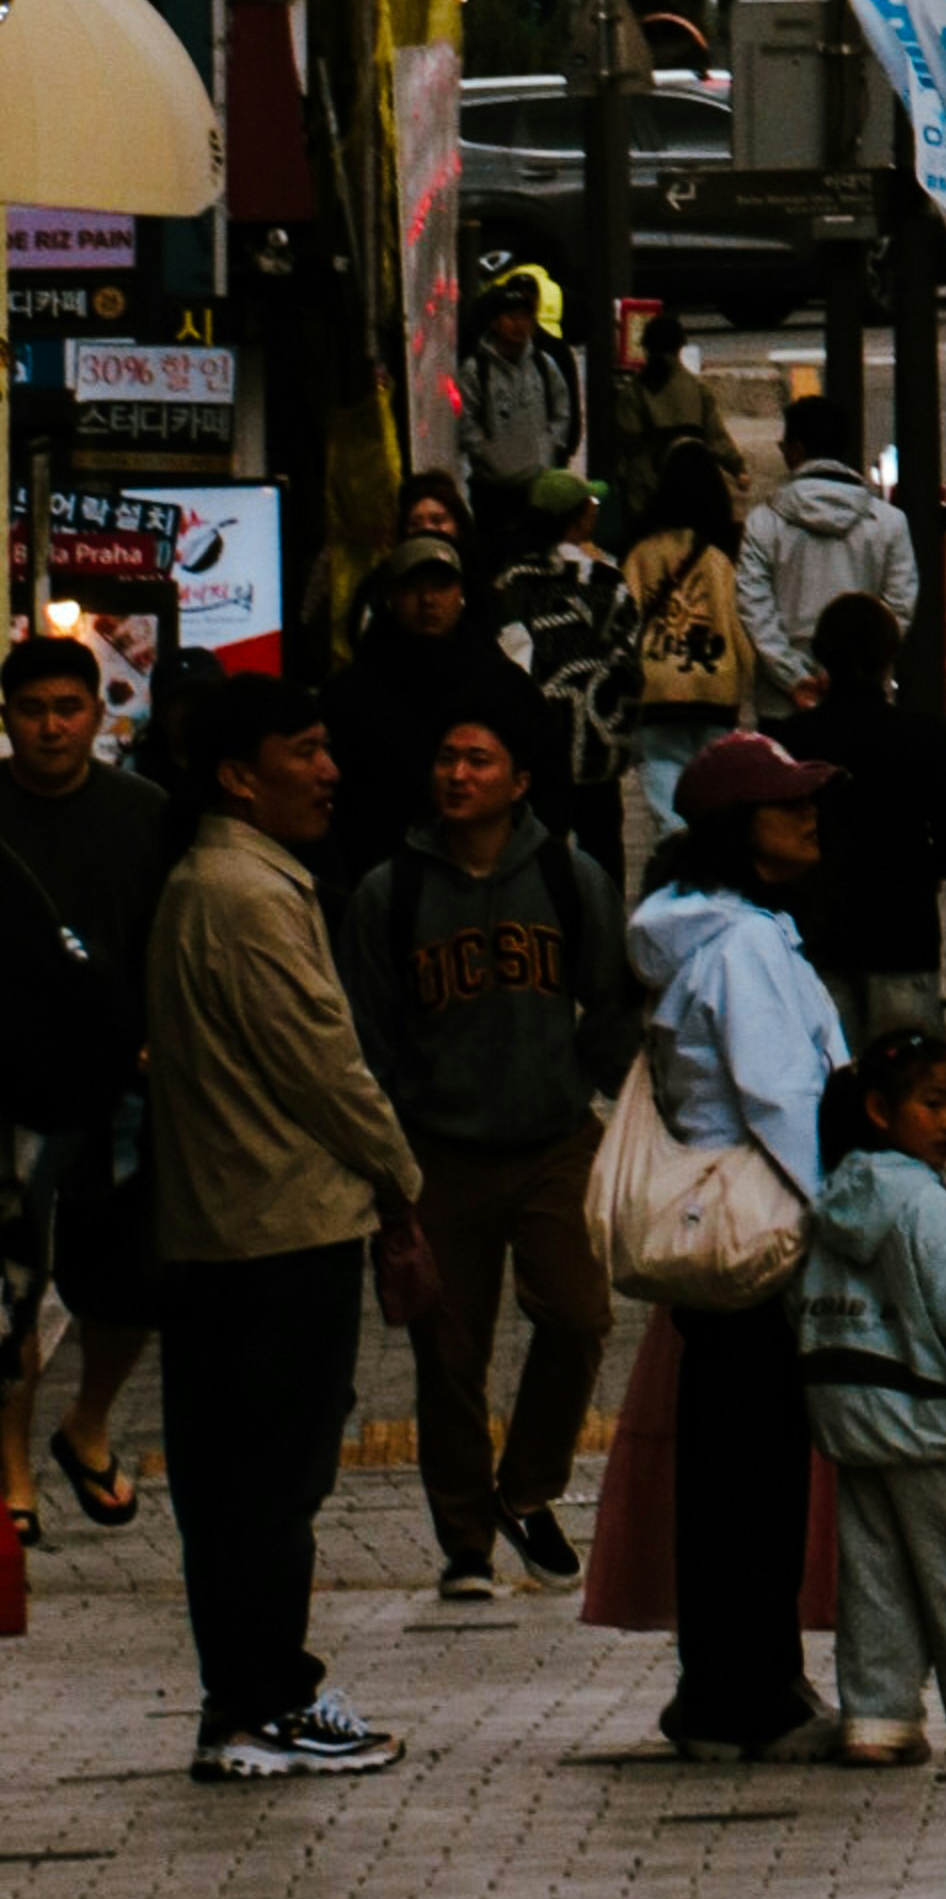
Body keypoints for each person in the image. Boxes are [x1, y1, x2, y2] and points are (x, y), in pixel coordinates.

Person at [139, 670, 413, 1784]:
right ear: (237, 777)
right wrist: (402, 1179)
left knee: (233, 1487)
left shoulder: (214, 881)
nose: (328, 772)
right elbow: (324, 1067)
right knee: (267, 1487)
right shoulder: (245, 894)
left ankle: (248, 1700)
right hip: (278, 1232)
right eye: (304, 751)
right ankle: (266, 1701)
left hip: (224, 1231)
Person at [339, 704, 624, 1608]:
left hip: (553, 1142)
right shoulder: (391, 893)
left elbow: (612, 998)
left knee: (578, 1316)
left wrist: (605, 1087)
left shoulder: (569, 877)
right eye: (447, 758)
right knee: (448, 1355)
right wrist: (389, 1150)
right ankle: (465, 1543)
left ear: (520, 782)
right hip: (440, 1155)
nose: (457, 775)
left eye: (479, 760)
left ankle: (525, 1489)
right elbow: (367, 1030)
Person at [627, 732, 849, 1761]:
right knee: (753, 1479)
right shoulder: (744, 947)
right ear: (733, 830)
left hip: (721, 1238)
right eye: (784, 804)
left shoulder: (710, 931)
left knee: (728, 1468)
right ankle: (744, 1698)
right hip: (763, 1233)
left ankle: (725, 1687)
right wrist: (849, 1217)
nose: (807, 816)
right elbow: (783, 1098)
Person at [792, 1030, 946, 1769]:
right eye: (933, 1104)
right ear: (880, 1109)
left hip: (849, 1414)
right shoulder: (926, 1206)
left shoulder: (833, 1201)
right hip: (927, 1420)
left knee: (874, 1575)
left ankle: (877, 1718)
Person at [0, 627, 173, 1537]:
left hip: (119, 1083)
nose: (51, 727)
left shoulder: (143, 813)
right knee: (11, 1288)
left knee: (130, 1279)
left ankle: (88, 1423)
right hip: (10, 1085)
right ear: (7, 719)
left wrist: (156, 1040)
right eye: (32, 710)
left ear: (99, 713)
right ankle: (12, 1472)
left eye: (68, 708)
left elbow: (173, 939)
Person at [786, 588, 946, 1048]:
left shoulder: (796, 738)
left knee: (831, 1070)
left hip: (823, 929)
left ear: (822, 656)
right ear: (888, 658)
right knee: (905, 1074)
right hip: (903, 929)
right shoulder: (922, 736)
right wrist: (925, 872)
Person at [326, 532, 565, 895]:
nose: (428, 600)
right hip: (381, 883)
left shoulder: (503, 685)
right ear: (390, 596)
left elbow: (549, 775)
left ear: (461, 594)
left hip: (496, 882)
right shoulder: (349, 694)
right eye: (413, 587)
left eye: (441, 586)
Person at [487, 469, 639, 899]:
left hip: (536, 748)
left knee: (535, 855)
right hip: (597, 747)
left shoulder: (511, 581)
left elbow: (506, 658)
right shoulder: (608, 581)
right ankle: (603, 932)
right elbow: (629, 660)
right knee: (603, 856)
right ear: (578, 521)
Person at [733, 395, 921, 686]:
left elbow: (754, 608)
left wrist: (794, 676)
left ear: (796, 450)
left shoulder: (764, 522)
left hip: (784, 696)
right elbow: (899, 607)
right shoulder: (890, 522)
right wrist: (858, 670)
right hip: (863, 690)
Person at [622, 437, 755, 824]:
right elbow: (738, 624)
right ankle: (708, 843)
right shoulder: (719, 558)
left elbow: (626, 621)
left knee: (662, 768)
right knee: (714, 783)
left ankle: (674, 840)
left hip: (657, 684)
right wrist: (749, 678)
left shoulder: (641, 552)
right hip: (715, 684)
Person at [461, 267, 582, 557]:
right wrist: (488, 455)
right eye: (511, 317)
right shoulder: (477, 369)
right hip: (492, 491)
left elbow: (562, 411)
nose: (519, 325)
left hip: (535, 487)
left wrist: (546, 447)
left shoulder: (543, 364)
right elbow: (465, 420)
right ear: (496, 322)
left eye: (526, 317)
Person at [614, 301, 743, 525]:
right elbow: (716, 436)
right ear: (680, 347)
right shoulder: (696, 388)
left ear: (646, 348)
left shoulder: (633, 392)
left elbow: (627, 445)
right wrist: (737, 467)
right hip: (693, 484)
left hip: (648, 491)